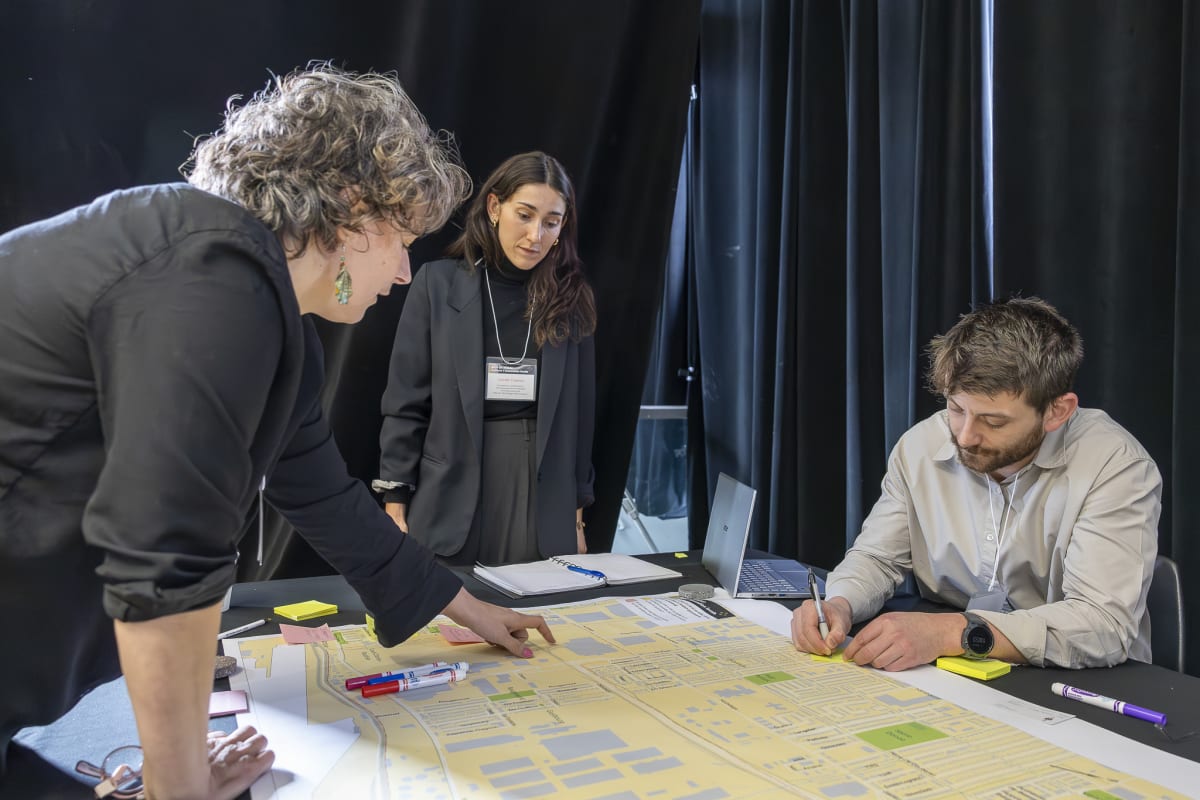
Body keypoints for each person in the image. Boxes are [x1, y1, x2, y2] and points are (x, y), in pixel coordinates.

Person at [0, 65, 556, 800]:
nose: (401, 271)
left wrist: (466, 605)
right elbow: (166, 556)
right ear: (353, 211)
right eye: (400, 238)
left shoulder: (258, 310)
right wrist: (181, 789)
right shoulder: (213, 274)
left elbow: (325, 496)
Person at [791, 297, 1160, 671]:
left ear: (1056, 411)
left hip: (1082, 684)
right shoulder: (921, 446)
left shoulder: (1115, 466)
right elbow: (877, 558)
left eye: (994, 422)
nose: (965, 436)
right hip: (962, 671)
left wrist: (952, 633)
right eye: (955, 409)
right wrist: (839, 603)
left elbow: (1102, 626)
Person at [377, 151, 597, 566]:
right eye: (525, 215)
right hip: (454, 479)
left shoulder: (572, 299)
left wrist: (578, 514)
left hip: (541, 483)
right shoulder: (437, 285)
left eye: (551, 222)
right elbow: (406, 401)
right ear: (495, 207)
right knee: (450, 619)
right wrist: (395, 499)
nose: (536, 235)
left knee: (535, 616)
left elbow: (581, 417)